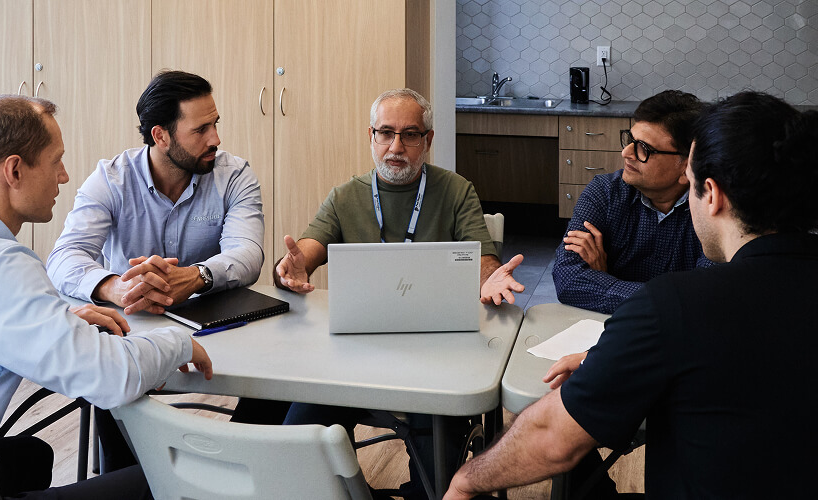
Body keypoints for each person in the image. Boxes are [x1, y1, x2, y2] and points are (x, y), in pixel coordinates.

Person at [445, 91, 818, 499]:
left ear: (710, 193)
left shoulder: (681, 306)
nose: (627, 153)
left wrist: (464, 481)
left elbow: (553, 437)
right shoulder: (697, 298)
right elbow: (570, 277)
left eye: (692, 184)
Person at [0, 95, 213, 499]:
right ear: (14, 170)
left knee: (32, 457)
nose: (64, 177)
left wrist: (59, 318)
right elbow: (111, 377)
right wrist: (179, 342)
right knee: (165, 481)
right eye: (55, 161)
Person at [274, 88, 525, 499]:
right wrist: (293, 265)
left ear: (427, 140)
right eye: (385, 133)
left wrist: (490, 278)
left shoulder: (456, 190)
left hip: (434, 355)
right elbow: (309, 249)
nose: (396, 146)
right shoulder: (345, 196)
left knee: (435, 470)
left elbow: (482, 257)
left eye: (410, 135)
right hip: (352, 353)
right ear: (370, 136)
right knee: (298, 439)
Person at [45, 71, 276, 467]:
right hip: (133, 326)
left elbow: (249, 253)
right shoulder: (112, 179)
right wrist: (114, 286)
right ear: (161, 136)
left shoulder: (234, 175)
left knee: (277, 382)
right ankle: (129, 480)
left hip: (221, 330)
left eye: (215, 124)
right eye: (200, 129)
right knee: (108, 366)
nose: (215, 139)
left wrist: (197, 276)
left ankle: (235, 473)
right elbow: (64, 256)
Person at [552, 90, 712, 314]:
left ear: (687, 167)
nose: (626, 153)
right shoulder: (605, 192)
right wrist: (671, 300)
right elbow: (567, 279)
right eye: (630, 140)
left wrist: (602, 280)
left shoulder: (712, 211)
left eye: (643, 148)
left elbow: (705, 298)